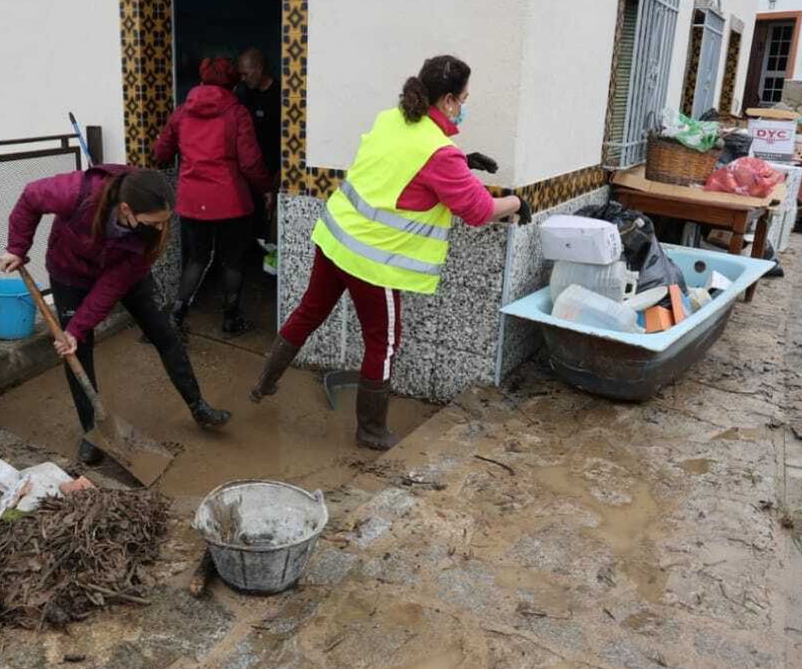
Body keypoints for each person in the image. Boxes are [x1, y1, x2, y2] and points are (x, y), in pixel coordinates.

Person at [249, 54, 528, 449]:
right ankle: (371, 429)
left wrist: (462, 163)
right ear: (447, 100)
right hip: (372, 261)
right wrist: (517, 202)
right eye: (463, 100)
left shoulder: (393, 119)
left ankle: (264, 383)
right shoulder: (438, 152)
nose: (463, 109)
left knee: (310, 310)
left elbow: (402, 167)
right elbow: (479, 211)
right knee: (384, 342)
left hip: (334, 238)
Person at [1, 164, 231, 467]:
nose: (162, 228)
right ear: (126, 209)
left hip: (123, 273)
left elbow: (110, 287)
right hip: (70, 273)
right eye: (155, 221)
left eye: (165, 221)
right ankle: (92, 432)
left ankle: (198, 405)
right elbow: (31, 197)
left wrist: (78, 326)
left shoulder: (147, 237)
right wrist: (17, 247)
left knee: (164, 332)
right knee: (77, 351)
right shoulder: (78, 193)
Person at [153, 57, 274, 336]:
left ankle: (176, 317)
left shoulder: (182, 112)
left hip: (193, 202)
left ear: (201, 79)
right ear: (232, 83)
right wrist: (266, 188)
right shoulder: (237, 113)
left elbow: (161, 152)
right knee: (232, 262)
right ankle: (231, 320)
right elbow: (251, 162)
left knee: (197, 258)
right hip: (231, 202)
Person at [236, 48, 282, 243]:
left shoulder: (281, 94)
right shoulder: (243, 93)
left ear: (260, 68)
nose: (243, 78)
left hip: (274, 173)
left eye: (246, 73)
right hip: (249, 172)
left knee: (269, 227)